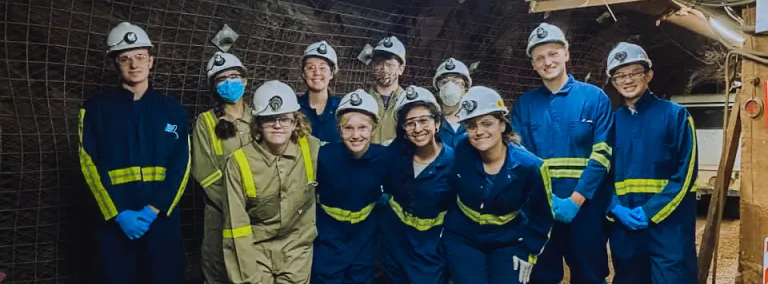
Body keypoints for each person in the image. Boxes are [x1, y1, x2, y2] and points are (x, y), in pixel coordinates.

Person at [78, 22, 189, 284]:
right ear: (115, 63)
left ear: (151, 61)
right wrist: (117, 213)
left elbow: (181, 165)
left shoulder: (173, 111)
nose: (134, 65)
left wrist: (153, 210)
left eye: (140, 57)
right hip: (115, 221)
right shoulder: (95, 110)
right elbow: (88, 164)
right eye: (125, 58)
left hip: (160, 220)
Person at [511, 22, 614, 284]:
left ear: (566, 53)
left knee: (590, 275)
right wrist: (547, 201)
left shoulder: (595, 98)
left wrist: (576, 200)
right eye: (539, 58)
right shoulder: (524, 104)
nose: (547, 62)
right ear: (533, 65)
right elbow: (521, 157)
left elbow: (602, 154)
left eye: (553, 53)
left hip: (586, 209)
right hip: (541, 208)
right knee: (542, 276)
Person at [605, 42, 698, 284]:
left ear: (649, 75)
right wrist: (614, 207)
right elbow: (602, 173)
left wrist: (649, 212)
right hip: (625, 229)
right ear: (613, 83)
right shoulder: (610, 124)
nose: (627, 80)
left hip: (668, 229)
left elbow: (685, 175)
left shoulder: (676, 116)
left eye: (635, 72)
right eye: (619, 76)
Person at [443, 86, 554, 284]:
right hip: (462, 238)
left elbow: (542, 215)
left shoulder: (530, 167)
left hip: (508, 241)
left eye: (487, 123)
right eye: (471, 126)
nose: (479, 132)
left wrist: (530, 250)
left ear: (502, 125)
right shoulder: (461, 149)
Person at [220, 80, 321, 284]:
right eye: (269, 119)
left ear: (295, 122)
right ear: (257, 124)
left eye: (284, 119)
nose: (277, 125)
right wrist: (249, 278)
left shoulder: (312, 150)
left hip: (297, 249)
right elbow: (236, 227)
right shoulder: (239, 163)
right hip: (255, 251)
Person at [312, 90, 388, 283]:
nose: (356, 135)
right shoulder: (323, 156)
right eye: (348, 128)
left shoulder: (385, 157)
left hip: (364, 240)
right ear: (339, 129)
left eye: (363, 128)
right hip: (329, 239)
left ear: (373, 129)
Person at [380, 86, 454, 284]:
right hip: (394, 247)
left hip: (429, 253)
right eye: (410, 123)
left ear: (437, 123)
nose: (418, 129)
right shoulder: (395, 155)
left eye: (423, 121)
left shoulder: (454, 163)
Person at [191, 51, 252, 284]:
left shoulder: (261, 119)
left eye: (234, 76)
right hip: (221, 215)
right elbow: (204, 173)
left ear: (245, 80)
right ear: (214, 87)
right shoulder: (205, 122)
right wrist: (237, 205)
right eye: (221, 79)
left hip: (258, 213)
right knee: (219, 271)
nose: (229, 83)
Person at [298, 40, 342, 144]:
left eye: (322, 68)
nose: (317, 72)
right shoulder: (293, 108)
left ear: (331, 74)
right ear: (303, 74)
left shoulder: (343, 109)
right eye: (310, 67)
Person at [366, 35, 407, 144]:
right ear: (373, 67)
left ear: (401, 69)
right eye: (379, 63)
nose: (384, 69)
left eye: (390, 64)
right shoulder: (363, 100)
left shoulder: (408, 103)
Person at [433, 58, 472, 147]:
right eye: (444, 82)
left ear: (465, 87)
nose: (450, 86)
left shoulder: (475, 121)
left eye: (456, 82)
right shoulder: (431, 122)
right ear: (438, 88)